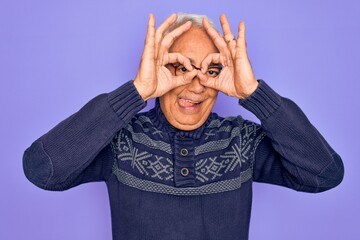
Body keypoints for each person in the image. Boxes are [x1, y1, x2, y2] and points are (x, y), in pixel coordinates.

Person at [23, 13, 344, 240]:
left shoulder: (242, 141)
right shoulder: (121, 140)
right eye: (179, 67)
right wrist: (135, 92)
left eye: (211, 69)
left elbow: (324, 174)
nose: (195, 85)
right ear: (159, 68)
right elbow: (42, 169)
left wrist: (254, 93)